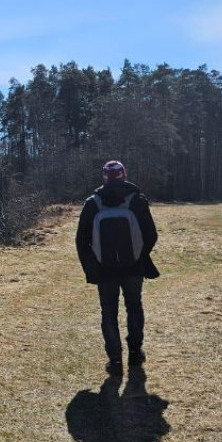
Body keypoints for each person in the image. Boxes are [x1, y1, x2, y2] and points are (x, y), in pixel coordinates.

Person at [75, 161, 159, 376]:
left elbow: (81, 240)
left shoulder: (93, 203)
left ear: (104, 177)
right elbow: (151, 235)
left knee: (109, 313)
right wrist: (139, 255)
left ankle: (114, 360)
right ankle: (135, 353)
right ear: (124, 175)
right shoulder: (137, 201)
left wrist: (91, 267)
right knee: (134, 305)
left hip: (104, 270)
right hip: (134, 267)